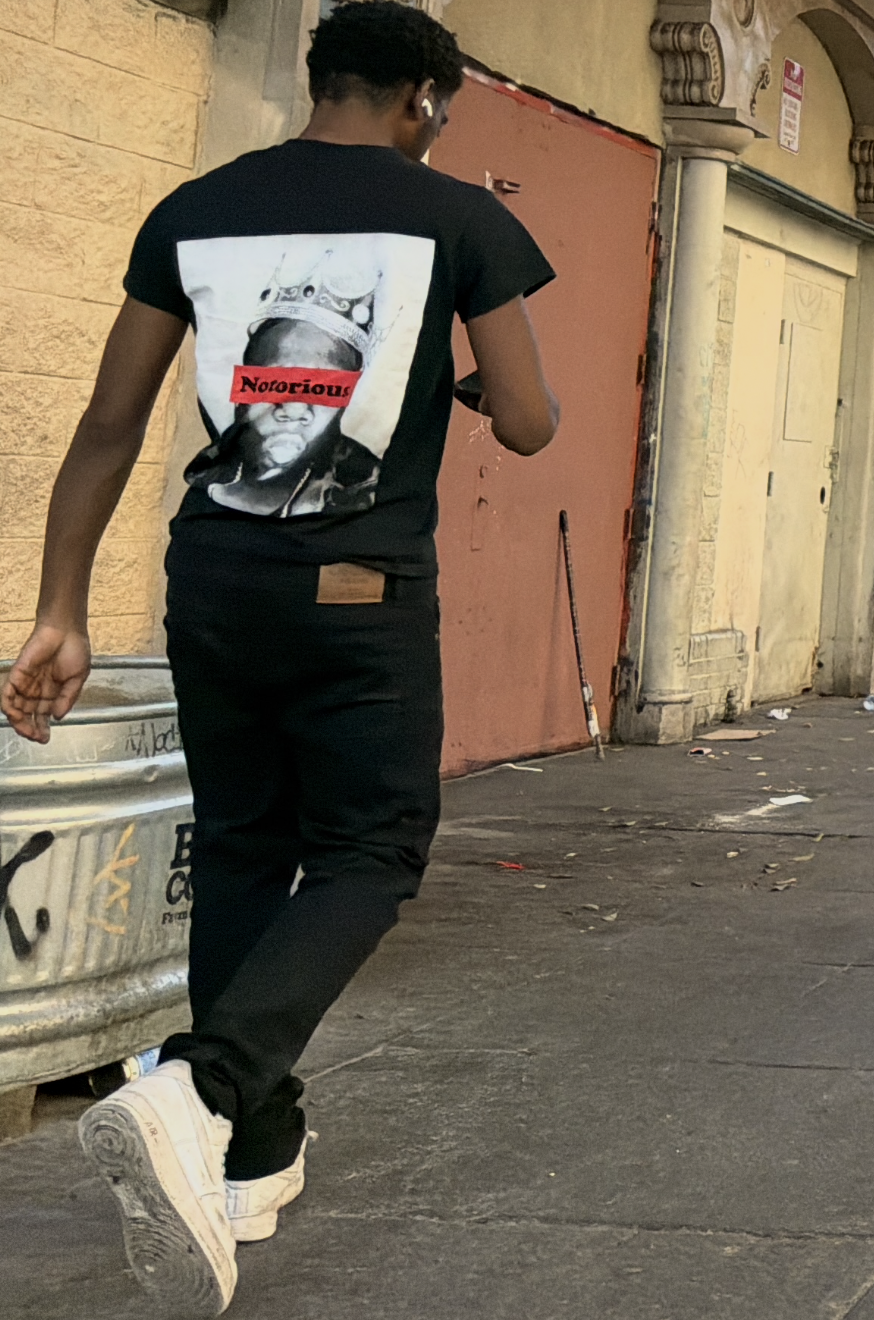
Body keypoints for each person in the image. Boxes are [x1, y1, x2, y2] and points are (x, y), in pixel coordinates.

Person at [0, 6, 560, 1313]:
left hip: (214, 580)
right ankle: (202, 1087)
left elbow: (106, 424)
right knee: (372, 845)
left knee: (249, 843)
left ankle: (254, 1156)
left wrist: (60, 612)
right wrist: (468, 390)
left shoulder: (194, 211)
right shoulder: (462, 220)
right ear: (425, 97)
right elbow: (532, 424)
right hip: (359, 591)